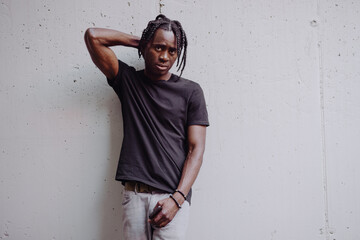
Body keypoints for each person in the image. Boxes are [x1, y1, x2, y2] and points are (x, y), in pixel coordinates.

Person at [84, 14, 209, 240]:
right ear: (146, 46)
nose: (164, 56)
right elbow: (93, 37)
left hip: (172, 198)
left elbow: (196, 150)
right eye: (158, 47)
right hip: (135, 195)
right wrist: (139, 40)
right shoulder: (129, 81)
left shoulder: (191, 91)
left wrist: (177, 199)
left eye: (172, 51)